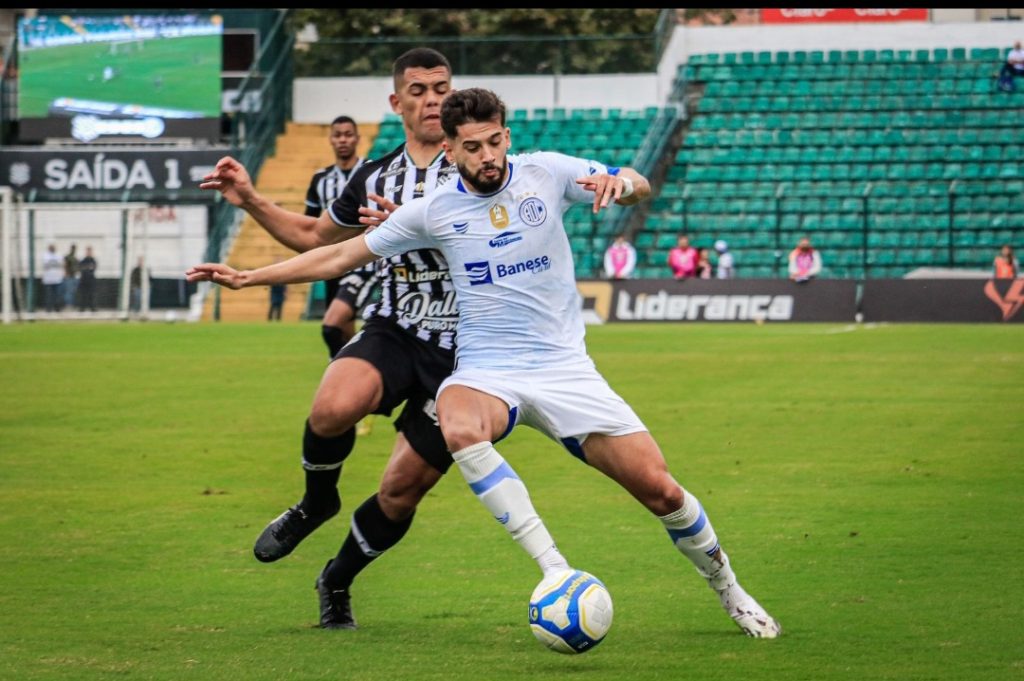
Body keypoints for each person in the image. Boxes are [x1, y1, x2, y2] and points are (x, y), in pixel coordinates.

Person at [189, 87, 782, 639]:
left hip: (564, 368)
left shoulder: (544, 172)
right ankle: (554, 571)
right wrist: (249, 276)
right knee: (459, 422)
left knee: (662, 492)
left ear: (506, 135)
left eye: (494, 141)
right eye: (471, 147)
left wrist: (623, 185)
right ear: (449, 150)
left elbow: (636, 179)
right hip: (485, 367)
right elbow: (339, 253)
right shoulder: (434, 209)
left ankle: (728, 588)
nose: (487, 155)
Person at [198, 48, 459, 630]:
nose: (432, 99)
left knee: (400, 492)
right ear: (397, 104)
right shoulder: (374, 176)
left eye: (441, 87)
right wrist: (252, 201)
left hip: (466, 353)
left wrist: (418, 223)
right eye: (417, 90)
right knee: (332, 406)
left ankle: (336, 579)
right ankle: (317, 501)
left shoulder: (481, 166)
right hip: (396, 326)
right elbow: (319, 237)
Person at [304, 115, 373, 358]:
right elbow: (309, 224)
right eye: (338, 135)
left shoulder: (371, 171)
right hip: (331, 262)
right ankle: (352, 369)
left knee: (331, 326)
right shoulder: (320, 179)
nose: (343, 140)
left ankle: (338, 366)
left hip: (362, 262)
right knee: (343, 327)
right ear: (331, 140)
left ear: (357, 138)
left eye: (348, 134)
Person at [41, 244, 64, 313]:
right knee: (48, 295)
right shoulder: (46, 255)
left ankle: (57, 308)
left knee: (57, 295)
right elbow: (46, 265)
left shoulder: (59, 255)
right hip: (48, 279)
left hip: (57, 279)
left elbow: (61, 264)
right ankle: (48, 308)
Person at [78, 246, 98, 311]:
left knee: (91, 295)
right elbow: (81, 269)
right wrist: (87, 268)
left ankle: (92, 307)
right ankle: (82, 308)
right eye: (87, 251)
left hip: (91, 280)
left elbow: (93, 268)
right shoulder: (83, 260)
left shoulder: (93, 260)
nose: (88, 253)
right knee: (83, 295)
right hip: (84, 280)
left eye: (90, 251)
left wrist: (86, 268)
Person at [62, 244, 79, 309]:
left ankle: (71, 304)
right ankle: (68, 305)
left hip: (74, 276)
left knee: (72, 292)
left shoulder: (75, 257)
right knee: (68, 292)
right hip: (69, 276)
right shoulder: (68, 257)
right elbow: (65, 265)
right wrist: (66, 273)